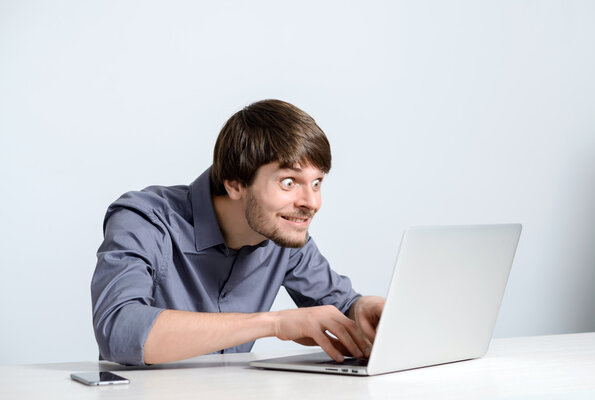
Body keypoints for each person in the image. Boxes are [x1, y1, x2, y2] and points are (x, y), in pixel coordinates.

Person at [91, 99, 385, 366]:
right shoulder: (145, 220)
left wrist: (363, 307)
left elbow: (340, 307)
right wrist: (275, 324)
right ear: (234, 184)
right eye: (288, 182)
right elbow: (118, 329)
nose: (312, 202)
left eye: (317, 182)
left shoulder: (283, 233)